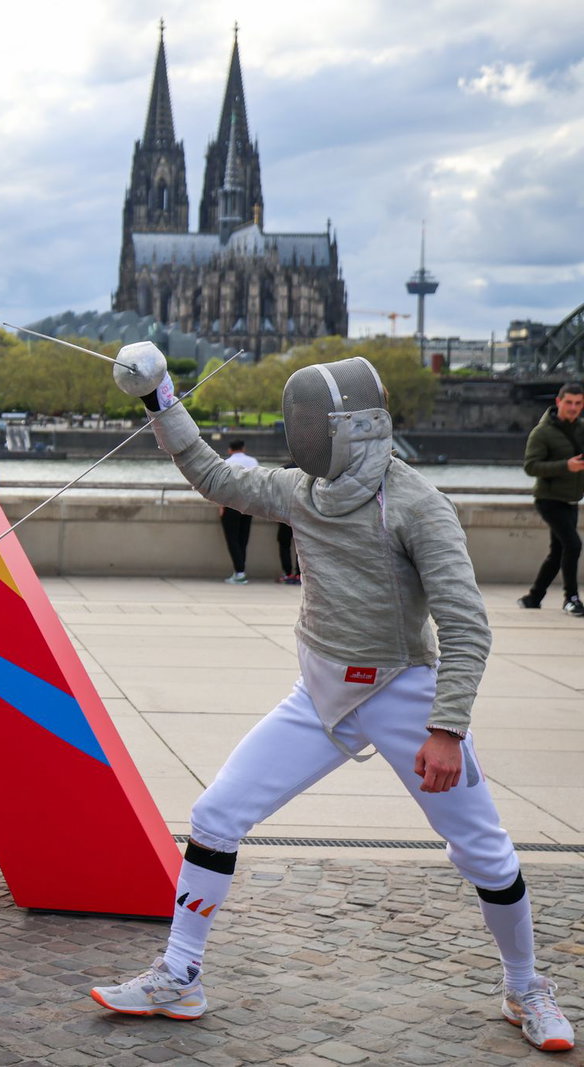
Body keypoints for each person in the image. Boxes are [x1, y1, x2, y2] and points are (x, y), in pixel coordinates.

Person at [91, 355, 574, 1053]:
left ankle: (525, 985)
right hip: (319, 693)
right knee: (216, 814)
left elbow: (467, 625)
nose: (302, 434)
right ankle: (180, 973)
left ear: (351, 428)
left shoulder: (416, 503)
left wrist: (446, 727)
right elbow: (212, 474)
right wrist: (160, 398)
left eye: (313, 422)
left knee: (486, 851)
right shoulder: (302, 490)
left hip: (405, 692)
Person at [518, 382, 584, 616]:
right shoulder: (542, 432)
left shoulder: (580, 429)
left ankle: (533, 597)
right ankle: (571, 598)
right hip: (548, 499)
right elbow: (531, 466)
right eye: (569, 403)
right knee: (573, 544)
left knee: (558, 552)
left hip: (571, 499)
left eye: (578, 403)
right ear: (558, 402)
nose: (573, 408)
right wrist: (566, 466)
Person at [218, 440, 258, 584]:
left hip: (231, 504)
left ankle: (239, 572)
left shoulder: (226, 463)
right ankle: (240, 570)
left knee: (232, 539)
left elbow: (222, 486)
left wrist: (221, 506)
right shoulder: (253, 461)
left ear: (230, 450)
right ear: (244, 448)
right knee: (243, 538)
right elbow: (258, 482)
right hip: (249, 504)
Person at [277, 461, 301, 584]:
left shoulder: (285, 469)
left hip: (286, 512)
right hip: (303, 513)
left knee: (284, 543)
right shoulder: (311, 469)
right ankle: (299, 574)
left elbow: (276, 492)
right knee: (301, 545)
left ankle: (287, 573)